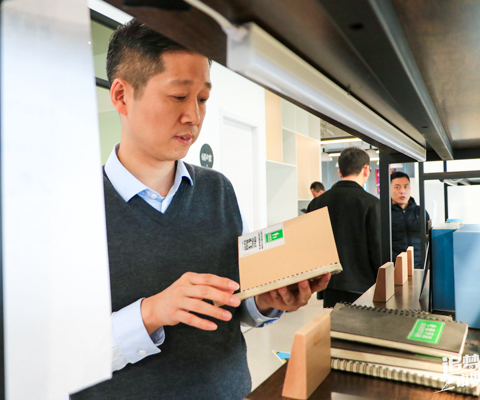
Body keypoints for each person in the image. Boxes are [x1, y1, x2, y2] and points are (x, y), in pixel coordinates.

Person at [70, 20, 330, 400]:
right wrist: (151, 313)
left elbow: (233, 304)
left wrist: (265, 300)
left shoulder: (217, 190)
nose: (193, 116)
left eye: (203, 99)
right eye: (178, 96)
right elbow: (59, 354)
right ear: (122, 96)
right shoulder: (73, 207)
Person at [307, 147, 381, 308]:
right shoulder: (372, 204)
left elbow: (311, 247)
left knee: (334, 323)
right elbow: (377, 249)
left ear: (340, 172)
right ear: (366, 170)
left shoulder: (316, 203)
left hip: (328, 284)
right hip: (363, 285)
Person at [390, 171, 429, 269]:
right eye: (397, 187)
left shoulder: (420, 211)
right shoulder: (384, 213)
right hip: (394, 268)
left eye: (406, 187)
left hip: (420, 266)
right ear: (389, 188)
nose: (402, 191)